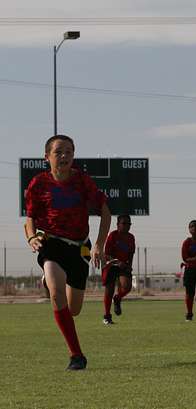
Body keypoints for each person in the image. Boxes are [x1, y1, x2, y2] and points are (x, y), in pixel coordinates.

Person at [24, 134, 111, 370]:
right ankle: (77, 355)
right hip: (51, 244)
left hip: (79, 247)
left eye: (69, 152)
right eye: (59, 152)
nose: (64, 156)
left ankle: (51, 281)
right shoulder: (38, 184)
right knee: (56, 291)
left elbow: (105, 211)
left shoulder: (82, 181)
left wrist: (99, 244)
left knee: (73, 310)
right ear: (47, 157)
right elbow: (30, 219)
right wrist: (32, 237)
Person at [101, 214, 135, 324]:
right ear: (118, 225)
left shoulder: (131, 237)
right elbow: (107, 254)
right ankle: (107, 316)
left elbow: (131, 254)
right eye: (124, 223)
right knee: (109, 290)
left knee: (127, 287)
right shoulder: (112, 235)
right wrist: (117, 262)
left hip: (123, 266)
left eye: (129, 224)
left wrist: (129, 265)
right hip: (111, 265)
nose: (127, 226)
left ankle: (117, 298)